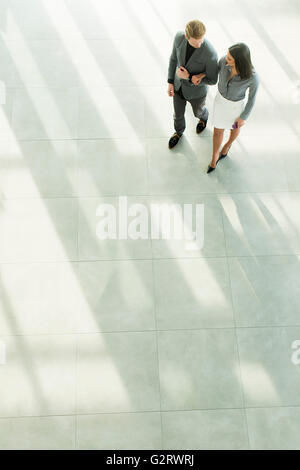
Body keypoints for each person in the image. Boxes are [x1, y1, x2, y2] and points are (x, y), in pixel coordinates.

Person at [207, 43, 259, 173]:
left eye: (230, 58)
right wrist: (201, 76)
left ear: (240, 61)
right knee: (217, 131)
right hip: (220, 102)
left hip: (235, 108)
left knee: (234, 128)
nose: (226, 59)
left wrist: (243, 117)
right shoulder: (223, 61)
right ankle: (215, 156)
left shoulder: (253, 77)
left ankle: (228, 144)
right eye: (228, 56)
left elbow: (252, 99)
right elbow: (213, 75)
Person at [167, 20, 218, 149]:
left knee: (198, 112)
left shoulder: (210, 53)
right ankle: (178, 133)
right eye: (196, 42)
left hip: (196, 93)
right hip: (178, 87)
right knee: (178, 115)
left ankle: (204, 118)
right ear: (186, 36)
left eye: (201, 40)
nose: (200, 44)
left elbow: (212, 79)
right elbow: (173, 59)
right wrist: (170, 82)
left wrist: (189, 77)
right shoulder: (179, 38)